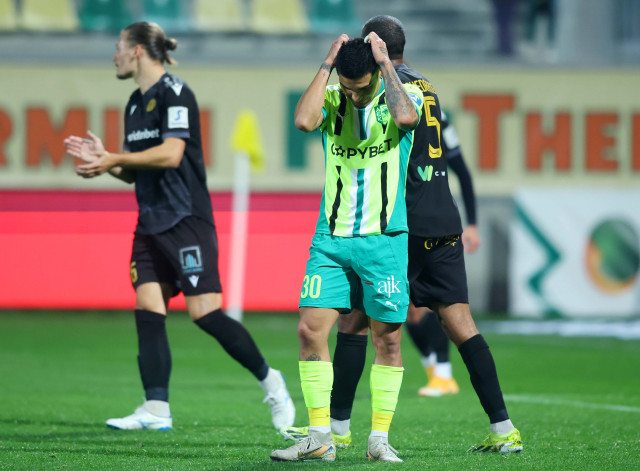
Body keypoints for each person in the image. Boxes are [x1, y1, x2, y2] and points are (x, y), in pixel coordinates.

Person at [281, 15, 523, 454]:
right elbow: (453, 155)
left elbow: (401, 123)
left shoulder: (389, 89)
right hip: (441, 217)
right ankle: (503, 426)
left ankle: (338, 427)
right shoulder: (426, 87)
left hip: (396, 220)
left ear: (373, 49)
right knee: (460, 323)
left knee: (356, 323)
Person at [63, 21, 294, 432]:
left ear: (137, 50)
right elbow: (135, 172)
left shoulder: (176, 93)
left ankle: (272, 382)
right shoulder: (134, 103)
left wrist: (114, 157)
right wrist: (107, 161)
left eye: (118, 47)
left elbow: (171, 154)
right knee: (147, 308)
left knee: (205, 314)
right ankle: (156, 409)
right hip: (150, 221)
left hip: (186, 218)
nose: (114, 56)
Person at [269, 33, 423, 463]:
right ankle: (320, 437)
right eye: (346, 86)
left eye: (360, 87)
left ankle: (379, 439)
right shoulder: (334, 99)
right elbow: (303, 121)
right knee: (309, 330)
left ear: (376, 74)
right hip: (331, 240)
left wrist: (385, 64)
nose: (353, 95)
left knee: (387, 341)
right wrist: (327, 63)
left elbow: (408, 119)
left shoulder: (400, 96)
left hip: (384, 241)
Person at [409, 109, 481, 398]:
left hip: (432, 225)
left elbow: (462, 171)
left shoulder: (439, 120)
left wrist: (472, 223)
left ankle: (443, 372)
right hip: (403, 222)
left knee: (435, 304)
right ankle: (435, 372)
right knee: (409, 311)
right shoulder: (387, 114)